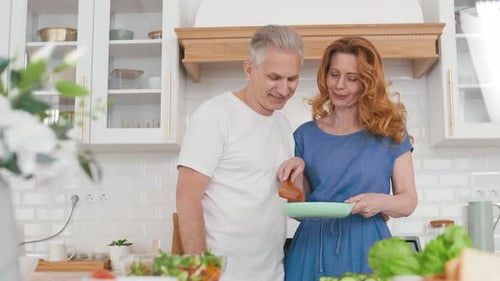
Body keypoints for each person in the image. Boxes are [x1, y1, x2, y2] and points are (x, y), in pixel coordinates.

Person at [175, 25, 305, 281]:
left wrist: (296, 174)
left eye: (292, 79)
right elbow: (186, 200)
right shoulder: (215, 115)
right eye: (274, 77)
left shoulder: (282, 125)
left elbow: (290, 204)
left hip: (272, 274)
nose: (284, 88)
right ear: (249, 69)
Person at [282, 36, 418, 280]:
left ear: (368, 83)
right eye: (334, 74)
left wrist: (380, 201)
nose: (340, 85)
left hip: (368, 247)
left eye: (352, 78)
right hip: (313, 249)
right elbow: (298, 210)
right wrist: (297, 175)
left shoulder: (390, 133)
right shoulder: (304, 135)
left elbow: (408, 201)